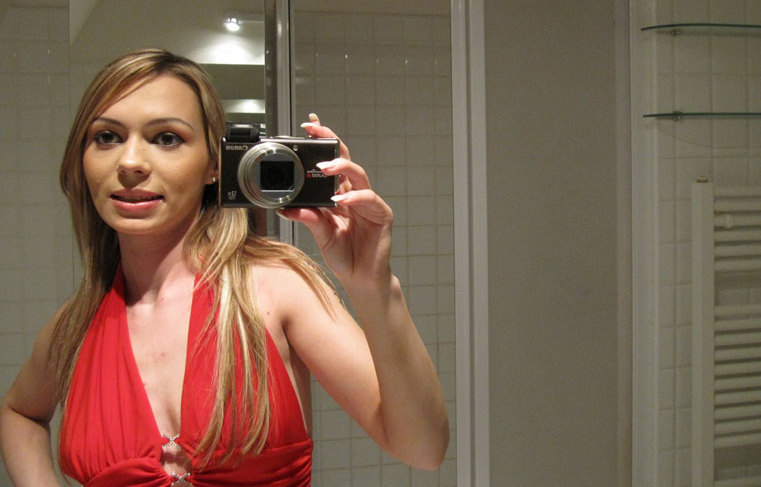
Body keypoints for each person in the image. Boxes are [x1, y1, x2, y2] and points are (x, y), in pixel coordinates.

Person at [0, 49, 449, 486]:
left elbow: (423, 448)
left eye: (167, 138)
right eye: (107, 137)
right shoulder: (75, 328)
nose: (130, 162)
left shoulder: (273, 290)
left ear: (215, 166)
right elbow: (19, 413)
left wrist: (372, 284)